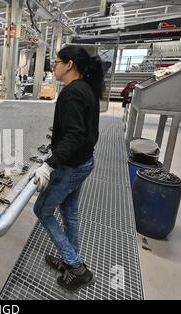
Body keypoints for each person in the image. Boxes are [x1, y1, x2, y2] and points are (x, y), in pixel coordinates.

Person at [32, 45, 104, 291]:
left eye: (56, 62)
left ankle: (75, 266)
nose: (54, 67)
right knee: (69, 212)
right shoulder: (87, 89)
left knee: (42, 210)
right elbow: (83, 132)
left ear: (69, 64)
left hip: (71, 166)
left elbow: (75, 134)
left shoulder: (72, 93)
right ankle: (69, 261)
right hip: (84, 162)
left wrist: (49, 165)